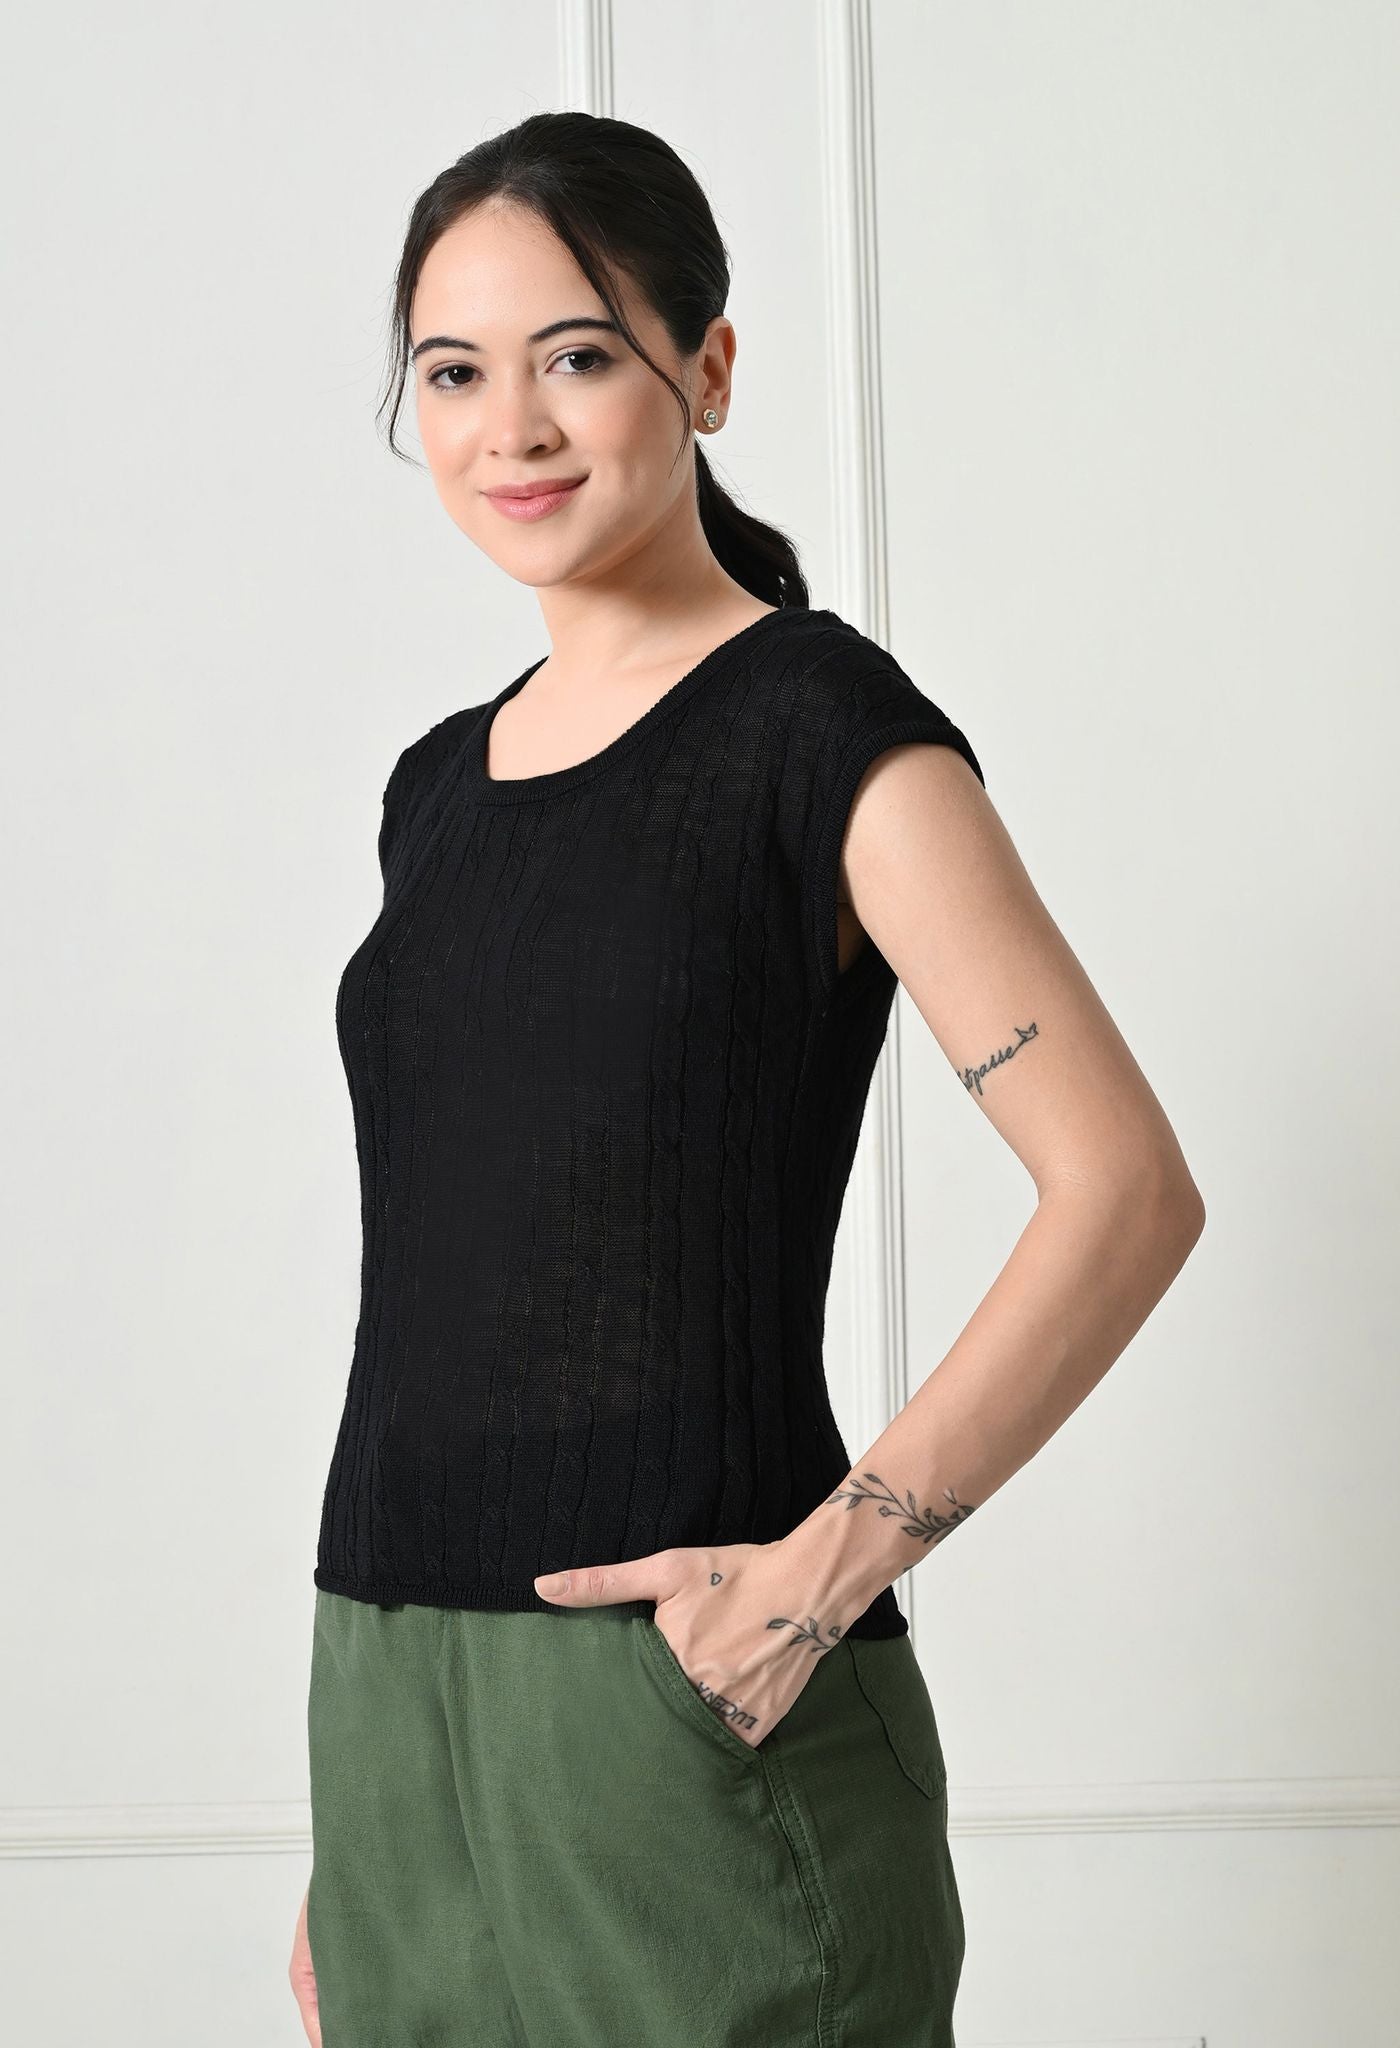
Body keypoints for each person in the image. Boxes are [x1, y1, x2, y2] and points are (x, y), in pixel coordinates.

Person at [289, 110, 1205, 2048]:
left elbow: (1124, 1188)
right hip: (392, 1709)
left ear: (706, 370)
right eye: (451, 373)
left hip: (681, 1714)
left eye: (577, 354)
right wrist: (374, 1827)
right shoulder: (434, 790)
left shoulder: (822, 733)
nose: (510, 427)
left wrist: (820, 1577)